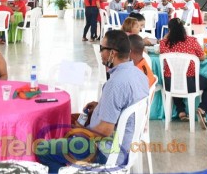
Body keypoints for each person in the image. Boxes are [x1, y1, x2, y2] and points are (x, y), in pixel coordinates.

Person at [36, 30, 148, 172]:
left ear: (112, 53)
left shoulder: (115, 84)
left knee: (43, 149)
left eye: (102, 48)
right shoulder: (139, 74)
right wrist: (101, 106)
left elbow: (105, 130)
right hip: (128, 146)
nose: (100, 53)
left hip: (105, 151)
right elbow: (123, 107)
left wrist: (79, 131)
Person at [159, 18, 207, 130]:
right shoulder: (191, 41)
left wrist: (166, 36)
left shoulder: (164, 43)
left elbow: (162, 50)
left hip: (169, 83)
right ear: (183, 28)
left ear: (169, 30)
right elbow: (202, 57)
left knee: (175, 78)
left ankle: (181, 111)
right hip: (190, 83)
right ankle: (202, 109)